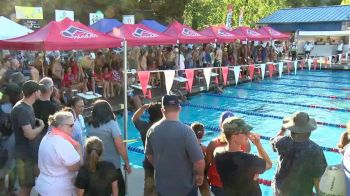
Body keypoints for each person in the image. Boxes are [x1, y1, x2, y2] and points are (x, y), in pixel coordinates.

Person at [145, 95, 205, 196]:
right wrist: (200, 176)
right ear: (180, 109)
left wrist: (162, 167)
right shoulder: (187, 132)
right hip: (185, 188)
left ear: (162, 110)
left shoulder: (152, 131)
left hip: (162, 187)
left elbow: (149, 156)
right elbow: (199, 161)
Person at [271, 111, 327, 195]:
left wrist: (282, 130)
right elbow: (317, 178)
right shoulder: (315, 150)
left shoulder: (280, 141)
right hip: (301, 192)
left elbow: (273, 141)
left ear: (290, 129)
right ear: (309, 131)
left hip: (279, 189)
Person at [215, 117, 272, 195]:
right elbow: (268, 164)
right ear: (234, 137)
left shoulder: (217, 153)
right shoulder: (248, 160)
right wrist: (258, 144)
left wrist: (254, 170)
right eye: (244, 132)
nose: (248, 134)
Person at [88, 100, 131, 196]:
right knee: (119, 191)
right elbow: (119, 145)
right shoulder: (112, 124)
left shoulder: (90, 126)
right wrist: (127, 161)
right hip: (112, 166)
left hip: (96, 165)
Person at [35, 111, 82, 196]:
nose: (74, 128)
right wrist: (79, 150)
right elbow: (75, 167)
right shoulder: (62, 143)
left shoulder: (47, 137)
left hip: (44, 187)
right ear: (60, 126)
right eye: (71, 125)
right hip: (57, 191)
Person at [11, 80, 45, 196]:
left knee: (33, 184)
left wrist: (35, 121)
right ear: (35, 92)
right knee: (26, 188)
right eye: (39, 89)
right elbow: (29, 134)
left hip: (30, 153)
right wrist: (41, 126)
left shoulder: (27, 106)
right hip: (24, 156)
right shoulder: (22, 109)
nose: (41, 91)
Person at [206, 111, 251, 196]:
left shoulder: (213, 144)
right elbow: (247, 163)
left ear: (220, 126)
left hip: (219, 185)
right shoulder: (246, 143)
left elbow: (206, 166)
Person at [132, 103, 163, 196]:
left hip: (148, 163)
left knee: (149, 189)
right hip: (163, 163)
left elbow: (134, 119)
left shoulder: (144, 127)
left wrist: (143, 107)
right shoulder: (165, 128)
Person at [0, 83, 22, 195]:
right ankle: (10, 190)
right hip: (12, 145)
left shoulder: (4, 107)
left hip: (6, 144)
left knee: (3, 171)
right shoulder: (19, 108)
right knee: (11, 168)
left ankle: (6, 190)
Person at [191, 122, 211, 196]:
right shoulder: (204, 148)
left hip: (190, 173)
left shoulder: (187, 146)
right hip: (201, 174)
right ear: (203, 134)